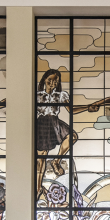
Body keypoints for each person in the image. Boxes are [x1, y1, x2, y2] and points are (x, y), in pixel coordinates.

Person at [34, 69, 95, 199]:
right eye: (49, 80)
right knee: (41, 158)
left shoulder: (61, 95)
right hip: (42, 124)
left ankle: (57, 161)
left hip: (54, 123)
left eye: (55, 81)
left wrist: (87, 107)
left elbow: (71, 110)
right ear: (44, 79)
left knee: (72, 137)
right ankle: (38, 190)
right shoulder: (37, 95)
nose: (52, 83)